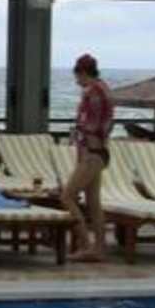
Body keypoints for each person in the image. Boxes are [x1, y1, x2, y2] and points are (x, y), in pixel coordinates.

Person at [61, 53, 114, 263]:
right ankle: (99, 249)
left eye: (77, 76)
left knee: (67, 196)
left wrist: (78, 132)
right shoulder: (104, 88)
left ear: (82, 73)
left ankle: (86, 245)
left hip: (91, 153)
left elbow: (90, 125)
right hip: (99, 153)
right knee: (93, 203)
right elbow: (105, 124)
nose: (76, 81)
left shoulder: (93, 92)